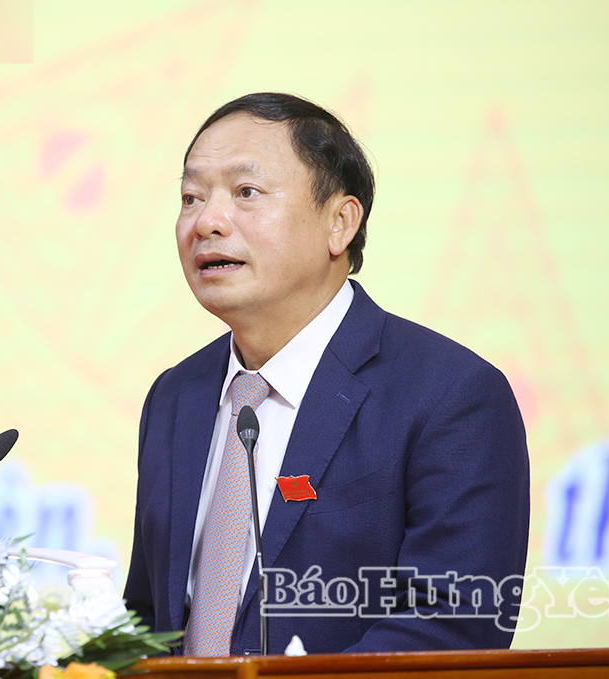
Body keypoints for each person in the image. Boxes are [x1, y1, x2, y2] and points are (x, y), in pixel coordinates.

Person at [123, 93, 530, 656]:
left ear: (340, 223)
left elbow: (453, 624)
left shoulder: (450, 394)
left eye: (246, 192)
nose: (207, 222)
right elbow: (148, 618)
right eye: (191, 197)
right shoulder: (176, 396)